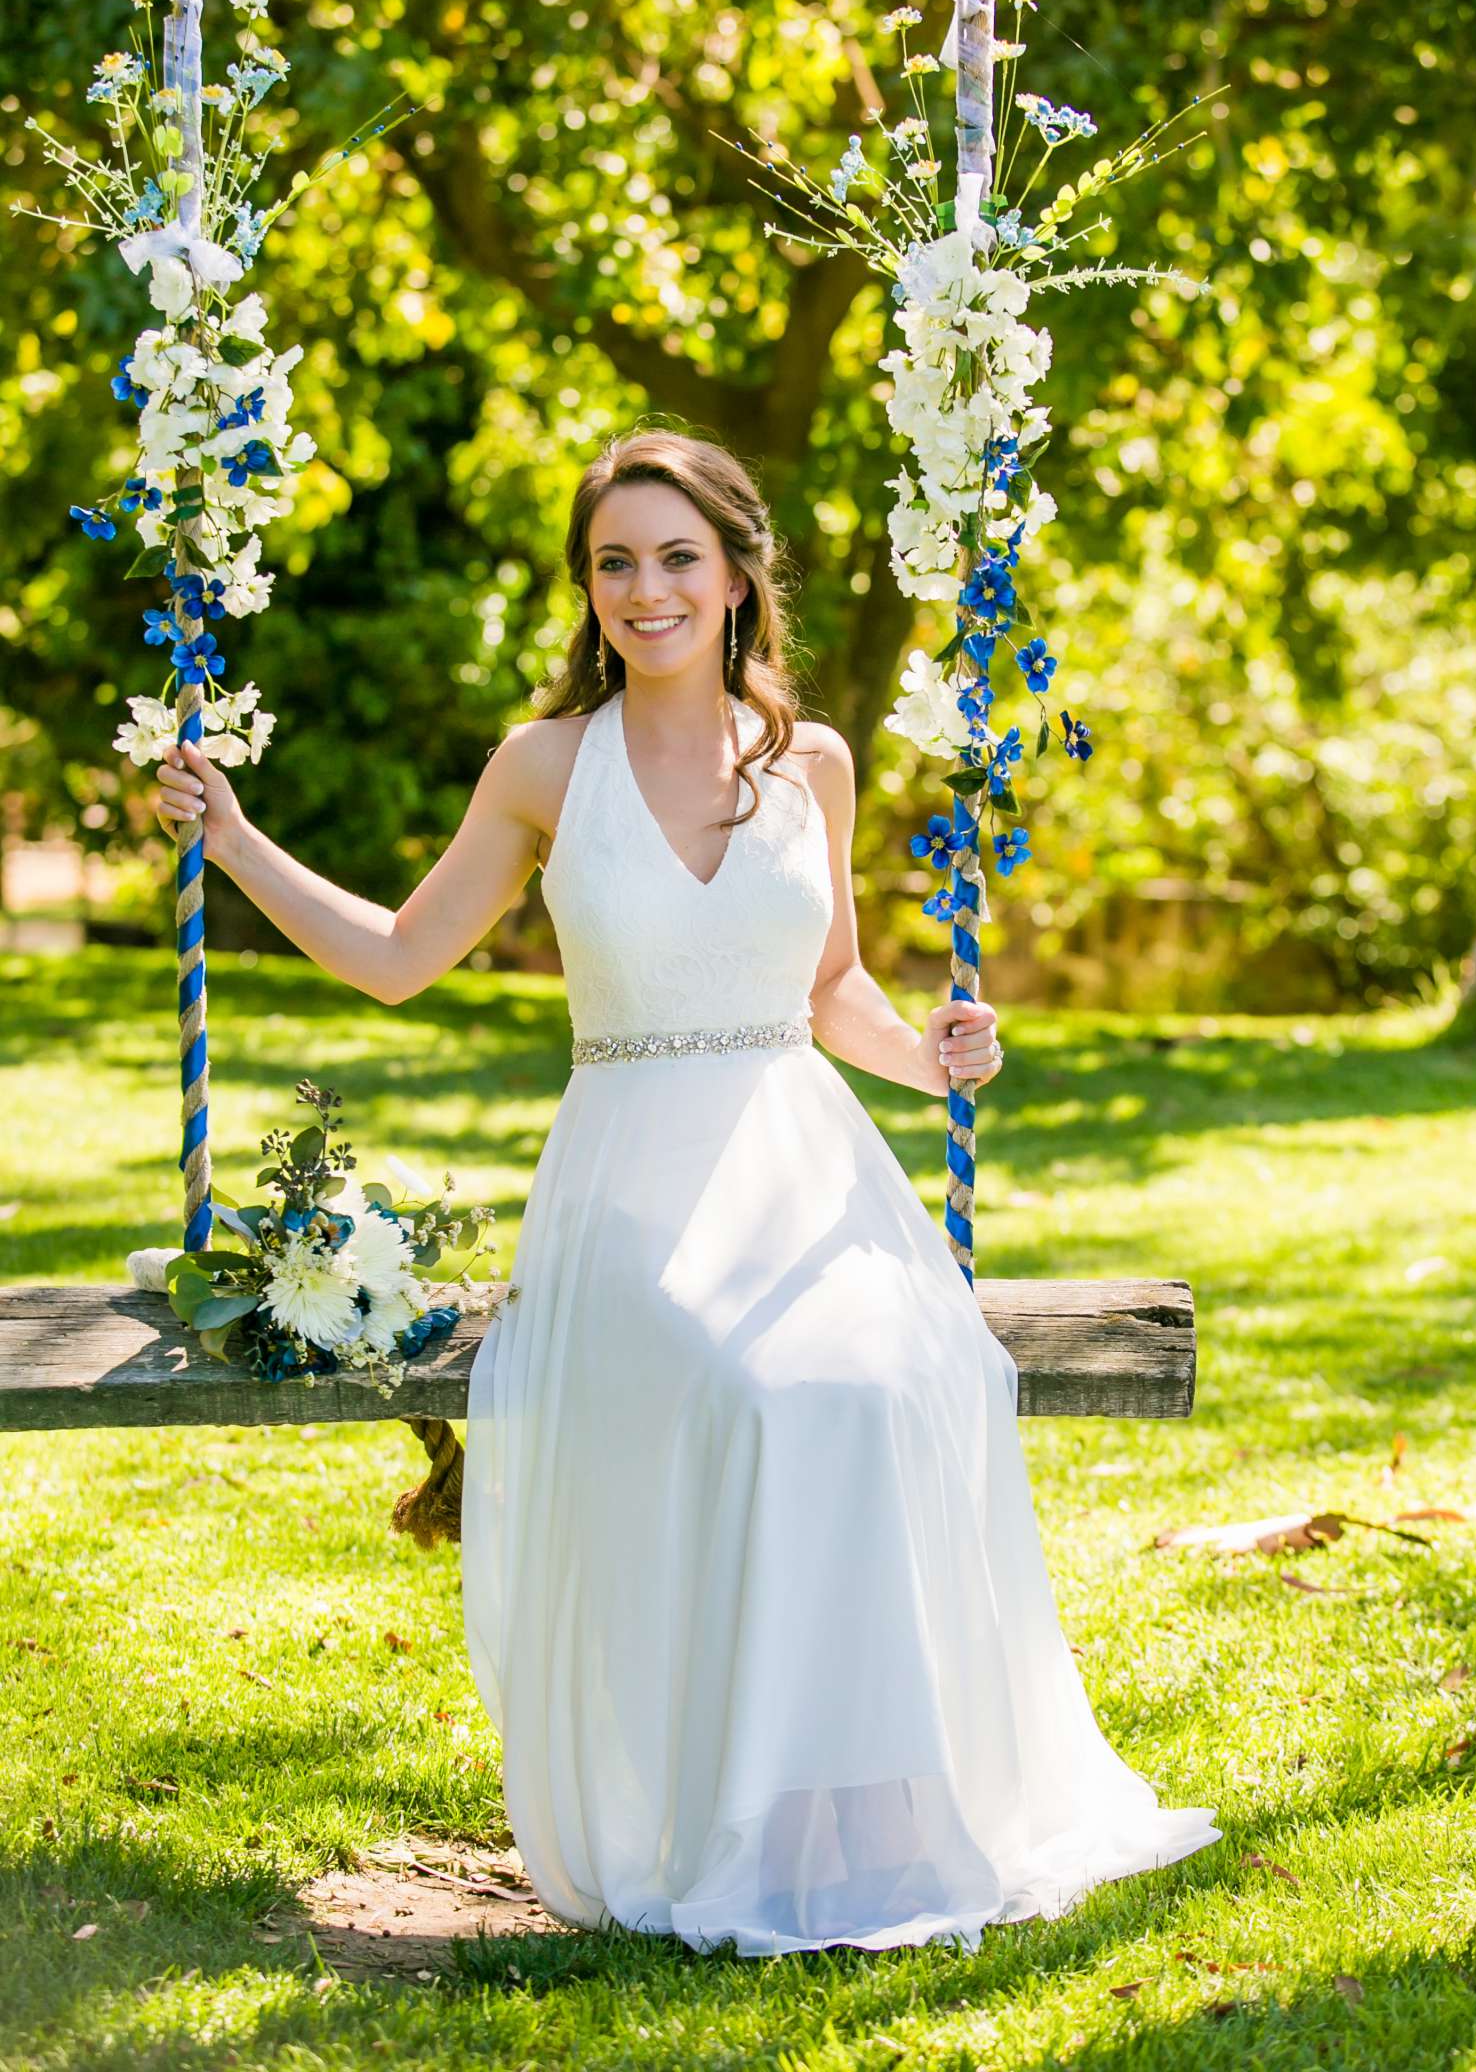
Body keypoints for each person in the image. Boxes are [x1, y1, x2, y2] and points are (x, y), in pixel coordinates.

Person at [153, 426, 1220, 1956]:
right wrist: (237, 838)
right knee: (756, 1393)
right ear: (588, 592)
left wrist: (934, 1059)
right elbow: (395, 962)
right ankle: (757, 1809)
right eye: (612, 563)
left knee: (872, 1387)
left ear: (735, 576)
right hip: (631, 1188)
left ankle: (864, 1802)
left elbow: (833, 985)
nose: (643, 591)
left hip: (803, 1168)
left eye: (674, 559)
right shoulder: (544, 768)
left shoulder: (815, 762)